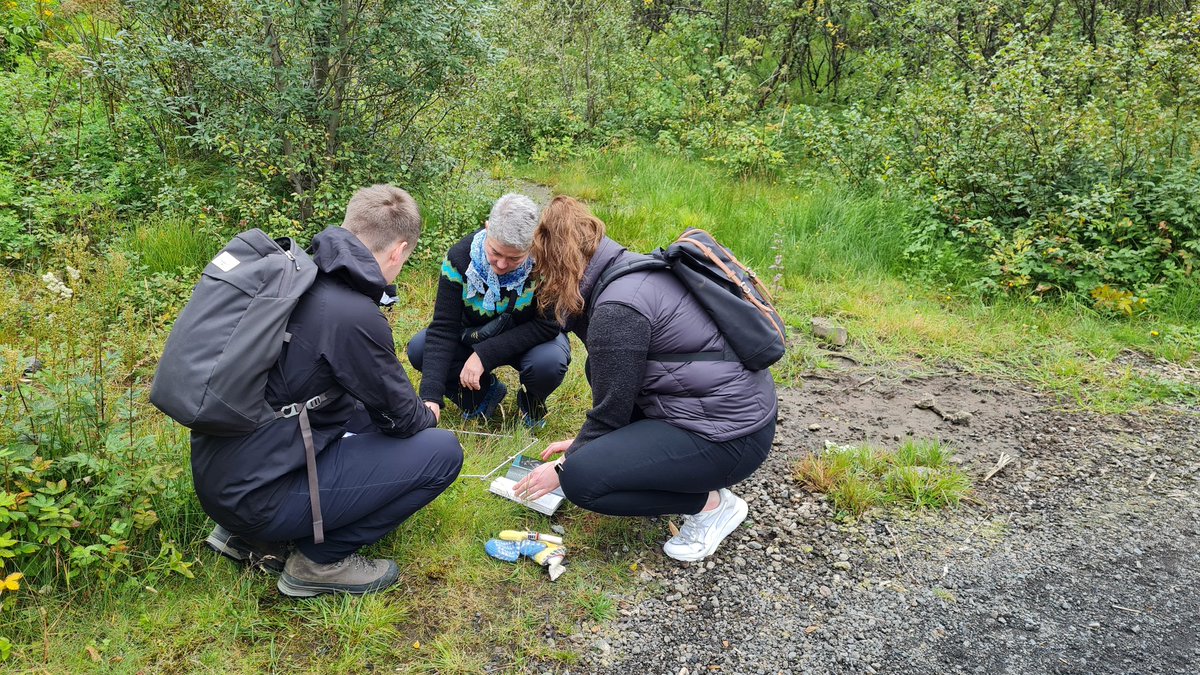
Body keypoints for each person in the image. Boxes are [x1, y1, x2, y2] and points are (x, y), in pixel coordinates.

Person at [194, 184, 463, 597]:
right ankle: (321, 562)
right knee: (442, 452)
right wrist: (429, 411)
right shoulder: (352, 314)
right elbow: (403, 418)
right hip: (258, 499)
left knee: (346, 404)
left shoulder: (294, 277)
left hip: (220, 478)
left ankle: (245, 537)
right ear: (399, 250)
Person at [512, 196, 777, 562]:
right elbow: (626, 391)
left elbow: (611, 414)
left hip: (729, 438)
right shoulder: (632, 269)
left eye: (541, 272)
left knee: (581, 480)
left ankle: (712, 506)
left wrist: (564, 466)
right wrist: (583, 444)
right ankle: (693, 482)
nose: (541, 284)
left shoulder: (617, 310)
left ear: (558, 266)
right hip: (734, 418)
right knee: (597, 376)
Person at [407, 194, 569, 429]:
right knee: (420, 349)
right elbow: (444, 328)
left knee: (548, 363)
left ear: (533, 243)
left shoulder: (547, 263)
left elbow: (548, 325)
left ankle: (532, 401)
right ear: (488, 228)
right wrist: (430, 397)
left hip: (529, 339)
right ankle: (482, 396)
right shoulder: (459, 259)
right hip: (474, 334)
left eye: (514, 258)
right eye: (496, 253)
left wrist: (485, 354)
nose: (502, 265)